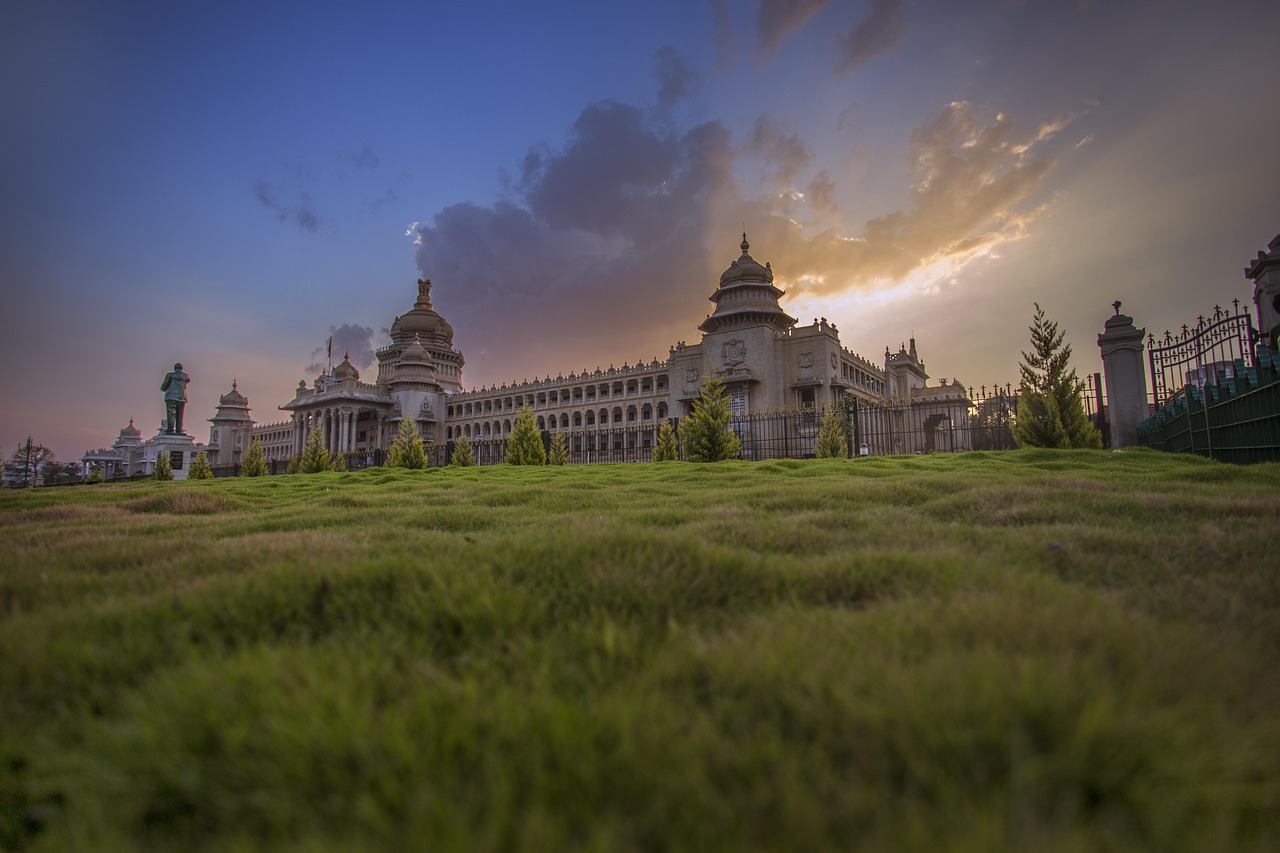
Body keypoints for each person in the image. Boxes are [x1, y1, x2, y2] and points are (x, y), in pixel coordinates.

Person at [161, 363, 190, 434]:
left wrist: (163, 388)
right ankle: (179, 430)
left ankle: (170, 429)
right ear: (181, 368)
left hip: (171, 395)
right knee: (180, 414)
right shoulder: (186, 376)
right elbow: (188, 381)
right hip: (182, 396)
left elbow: (165, 385)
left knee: (171, 413)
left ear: (175, 368)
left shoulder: (170, 375)